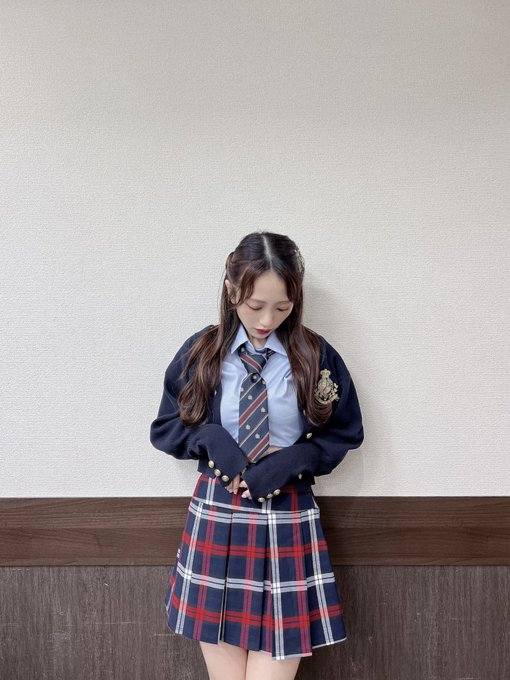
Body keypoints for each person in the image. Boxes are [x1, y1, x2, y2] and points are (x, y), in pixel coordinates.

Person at [149, 231, 364, 680]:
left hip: (288, 514)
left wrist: (294, 461)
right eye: (255, 306)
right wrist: (211, 440)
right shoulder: (201, 353)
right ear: (232, 292)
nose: (267, 320)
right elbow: (166, 427)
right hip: (217, 512)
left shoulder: (314, 356)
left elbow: (346, 431)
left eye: (282, 308)